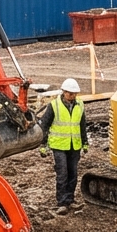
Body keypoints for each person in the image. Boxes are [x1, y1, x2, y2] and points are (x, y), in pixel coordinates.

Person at [40, 77, 88, 214]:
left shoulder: (80, 105)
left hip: (74, 146)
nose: (73, 96)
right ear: (64, 92)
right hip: (59, 145)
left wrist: (85, 142)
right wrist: (43, 145)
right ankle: (62, 202)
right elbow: (44, 126)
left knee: (73, 173)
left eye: (75, 94)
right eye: (70, 94)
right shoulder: (54, 106)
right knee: (62, 174)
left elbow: (82, 125)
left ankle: (70, 200)